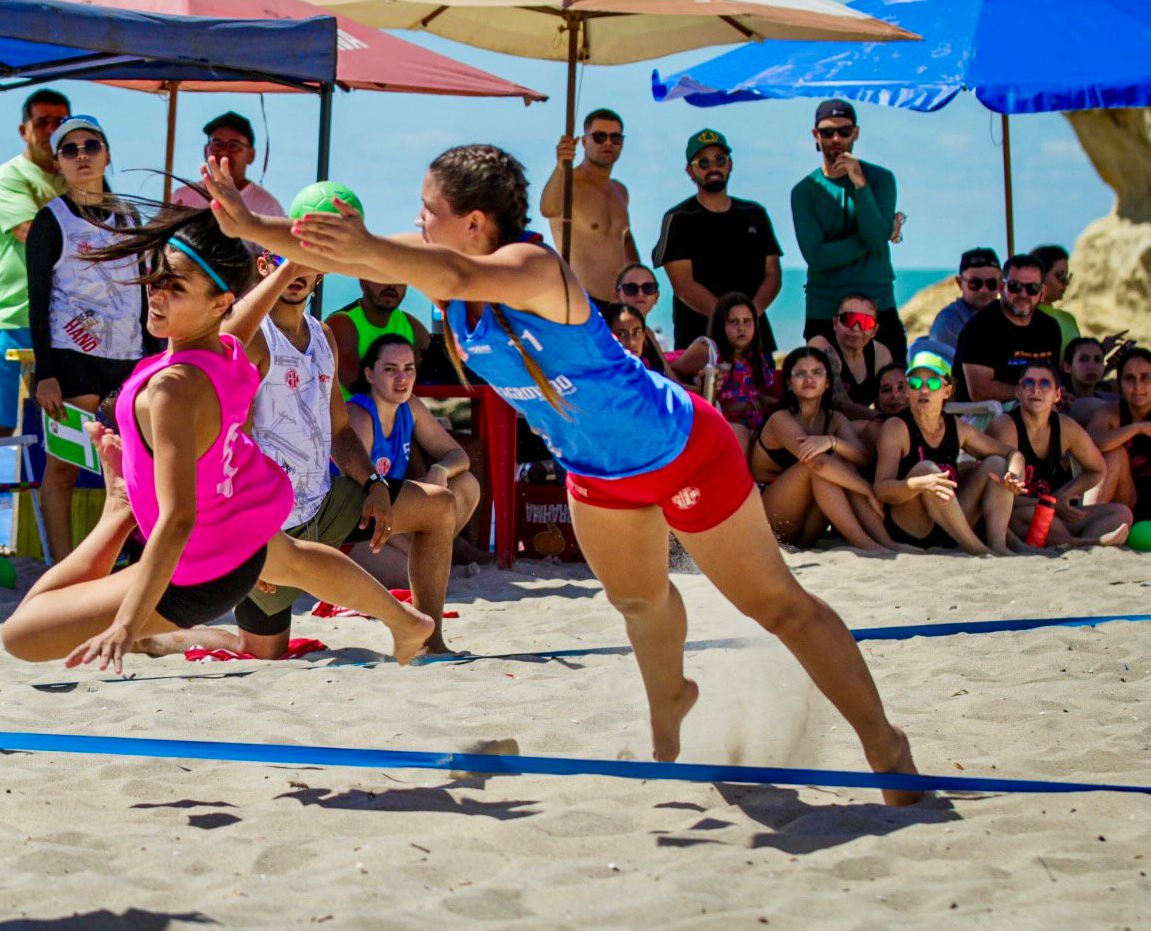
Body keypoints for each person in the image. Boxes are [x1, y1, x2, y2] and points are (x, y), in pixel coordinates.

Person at [207, 143, 921, 804]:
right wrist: (252, 228)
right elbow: (353, 258)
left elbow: (449, 271)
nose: (418, 220)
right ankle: (670, 708)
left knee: (777, 606)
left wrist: (360, 245)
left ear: (475, 221)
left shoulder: (533, 268)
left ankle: (888, 749)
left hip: (681, 449)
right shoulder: (443, 265)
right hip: (594, 471)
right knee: (639, 605)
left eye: (430, 209)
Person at [0, 210, 435, 673]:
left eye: (177, 288)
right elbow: (243, 318)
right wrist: (288, 267)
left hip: (198, 570)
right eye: (157, 280)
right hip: (238, 525)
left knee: (19, 635)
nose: (158, 296)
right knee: (298, 562)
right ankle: (404, 620)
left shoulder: (173, 389)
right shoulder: (222, 352)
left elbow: (178, 518)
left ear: (217, 303)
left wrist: (128, 624)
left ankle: (118, 511)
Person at [223, 254, 457, 656]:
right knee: (262, 653)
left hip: (325, 500)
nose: (295, 272)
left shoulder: (323, 336)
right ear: (263, 266)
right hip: (269, 521)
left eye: (304, 262)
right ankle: (158, 642)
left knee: (439, 507)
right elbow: (234, 448)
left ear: (321, 271)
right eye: (283, 261)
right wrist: (253, 532)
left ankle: (430, 643)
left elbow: (340, 431)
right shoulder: (252, 336)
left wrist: (374, 483)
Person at [26, 116, 145, 561]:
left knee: (138, 467)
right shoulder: (50, 220)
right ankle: (61, 567)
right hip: (72, 355)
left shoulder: (130, 215)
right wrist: (46, 373)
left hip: (129, 356)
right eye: (70, 149)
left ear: (107, 155)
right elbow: (36, 299)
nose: (82, 155)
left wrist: (156, 361)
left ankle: (135, 559)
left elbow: (148, 286)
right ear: (57, 162)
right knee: (64, 468)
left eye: (91, 145)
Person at [346, 333, 485, 576]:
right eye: (391, 369)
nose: (402, 378)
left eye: (408, 369)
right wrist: (412, 549)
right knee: (411, 577)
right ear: (370, 375)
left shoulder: (410, 406)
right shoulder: (360, 414)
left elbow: (458, 455)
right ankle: (426, 555)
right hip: (355, 528)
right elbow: (356, 500)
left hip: (390, 518)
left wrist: (440, 470)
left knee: (466, 485)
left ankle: (428, 553)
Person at [0, 88, 73, 438]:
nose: (51, 130)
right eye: (42, 122)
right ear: (24, 131)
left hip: (68, 321)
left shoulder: (77, 176)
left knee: (62, 424)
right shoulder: (10, 176)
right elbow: (34, 236)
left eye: (59, 122)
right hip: (17, 315)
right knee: (2, 422)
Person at [750, 348, 903, 553]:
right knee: (817, 468)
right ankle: (867, 545)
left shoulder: (834, 420)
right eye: (800, 373)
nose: (809, 378)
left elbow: (862, 457)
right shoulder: (780, 419)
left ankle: (886, 542)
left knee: (843, 463)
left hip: (806, 531)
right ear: (788, 383)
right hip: (770, 521)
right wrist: (867, 490)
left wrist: (832, 441)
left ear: (828, 382)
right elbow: (817, 463)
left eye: (816, 372)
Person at [872, 351, 1023, 556]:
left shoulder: (956, 427)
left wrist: (1013, 475)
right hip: (913, 527)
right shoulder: (896, 427)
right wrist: (920, 485)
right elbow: (881, 489)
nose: (924, 390)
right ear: (908, 390)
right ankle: (979, 550)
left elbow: (1011, 453)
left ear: (947, 391)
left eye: (933, 384)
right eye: (916, 383)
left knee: (996, 464)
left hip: (950, 525)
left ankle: (998, 544)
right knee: (926, 469)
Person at [790, 100, 906, 361]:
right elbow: (817, 257)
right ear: (815, 135)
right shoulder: (804, 191)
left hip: (878, 305)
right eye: (827, 132)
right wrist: (879, 234)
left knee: (893, 390)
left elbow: (876, 239)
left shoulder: (880, 179)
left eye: (844, 131)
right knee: (826, 393)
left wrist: (859, 183)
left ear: (856, 133)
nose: (836, 139)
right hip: (825, 307)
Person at [653, 128, 782, 350]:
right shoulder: (679, 219)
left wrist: (747, 318)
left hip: (756, 342)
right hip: (699, 343)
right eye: (703, 162)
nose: (713, 167)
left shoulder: (754, 213)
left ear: (730, 164)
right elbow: (683, 285)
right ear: (690, 171)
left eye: (720, 160)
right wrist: (729, 318)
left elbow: (772, 273)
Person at [989, 361, 1132, 548]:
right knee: (1022, 517)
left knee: (1121, 513)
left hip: (1055, 512)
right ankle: (1087, 543)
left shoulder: (1065, 427)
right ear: (1018, 391)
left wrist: (1061, 495)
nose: (1036, 390)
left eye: (1045, 384)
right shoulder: (1006, 427)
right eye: (1029, 383)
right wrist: (1050, 505)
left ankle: (1080, 546)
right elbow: (1000, 497)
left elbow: (1096, 469)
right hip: (1018, 513)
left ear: (1057, 395)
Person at [539, 108, 639, 316]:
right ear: (584, 142)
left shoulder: (620, 190)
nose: (608, 143)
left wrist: (639, 285)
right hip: (584, 303)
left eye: (615, 138)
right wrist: (560, 167)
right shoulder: (569, 182)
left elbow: (625, 238)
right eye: (599, 137)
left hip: (622, 305)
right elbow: (547, 209)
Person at [952, 254, 1063, 402]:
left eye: (1032, 288)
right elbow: (979, 391)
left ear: (1042, 292)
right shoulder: (979, 329)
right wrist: (1029, 394)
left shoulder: (1050, 328)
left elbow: (1052, 379)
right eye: (1015, 286)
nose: (1023, 294)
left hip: (1037, 407)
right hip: (984, 414)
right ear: (1001, 287)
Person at [325, 278, 432, 396]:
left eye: (399, 278)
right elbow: (358, 386)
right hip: (349, 412)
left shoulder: (413, 326)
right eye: (381, 276)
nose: (392, 285)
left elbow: (433, 376)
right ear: (363, 281)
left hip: (394, 411)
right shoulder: (341, 323)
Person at [169, 111, 285, 216]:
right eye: (217, 145)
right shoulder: (182, 199)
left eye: (234, 146)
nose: (224, 152)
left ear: (251, 155)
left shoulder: (268, 209)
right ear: (206, 151)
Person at [808, 293, 896, 422]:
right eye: (849, 319)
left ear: (874, 331)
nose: (856, 328)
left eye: (865, 322)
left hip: (859, 426)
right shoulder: (821, 347)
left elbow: (889, 401)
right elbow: (841, 406)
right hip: (817, 426)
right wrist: (883, 419)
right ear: (835, 323)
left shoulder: (881, 354)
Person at [1088, 346, 1151, 522]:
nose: (1138, 387)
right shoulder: (1110, 413)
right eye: (1129, 379)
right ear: (1120, 384)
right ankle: (1089, 524)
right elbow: (1092, 443)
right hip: (1125, 501)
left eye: (1145, 378)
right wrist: (1137, 428)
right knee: (1115, 453)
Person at [618, 263, 711, 381]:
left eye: (648, 288)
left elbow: (672, 381)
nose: (640, 293)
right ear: (616, 295)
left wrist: (702, 390)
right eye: (631, 288)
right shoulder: (611, 331)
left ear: (656, 296)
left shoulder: (648, 334)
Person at [703, 291, 776, 432]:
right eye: (733, 322)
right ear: (721, 325)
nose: (741, 328)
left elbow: (756, 393)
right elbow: (671, 373)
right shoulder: (708, 352)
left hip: (757, 429)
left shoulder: (755, 358)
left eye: (747, 321)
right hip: (725, 431)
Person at [924, 247, 1002, 360]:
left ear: (1001, 284)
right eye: (975, 283)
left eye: (991, 283)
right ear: (960, 283)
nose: (984, 290)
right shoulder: (949, 322)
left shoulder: (1010, 316)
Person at [609, 303, 681, 383]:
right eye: (621, 334)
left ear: (643, 336)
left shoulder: (656, 378)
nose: (631, 342)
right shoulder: (605, 378)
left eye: (636, 333)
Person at [1032, 243, 1082, 350]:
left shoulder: (1069, 319)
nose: (1066, 282)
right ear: (1040, 276)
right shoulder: (1021, 318)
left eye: (1067, 277)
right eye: (1061, 276)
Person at [855, 364, 909, 457]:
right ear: (877, 399)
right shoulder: (874, 429)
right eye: (886, 390)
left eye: (901, 387)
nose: (895, 395)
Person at [1061, 336, 1113, 424]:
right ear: (1067, 367)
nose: (1091, 366)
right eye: (1083, 359)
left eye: (1097, 360)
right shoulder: (1058, 404)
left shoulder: (1112, 399)